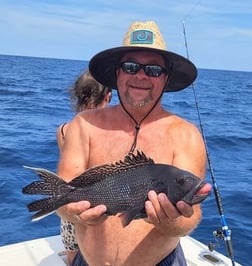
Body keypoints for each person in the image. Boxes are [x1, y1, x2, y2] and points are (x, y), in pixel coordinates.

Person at [56, 21, 212, 266]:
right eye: (131, 67)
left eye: (153, 69)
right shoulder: (83, 125)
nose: (141, 75)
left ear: (166, 77)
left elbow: (190, 217)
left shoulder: (186, 134)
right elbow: (63, 195)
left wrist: (172, 220)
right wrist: (73, 211)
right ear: (118, 72)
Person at [56, 70, 112, 265]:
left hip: (69, 206)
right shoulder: (103, 133)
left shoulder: (63, 129)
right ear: (108, 97)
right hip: (93, 205)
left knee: (72, 252)